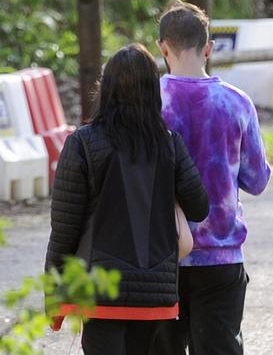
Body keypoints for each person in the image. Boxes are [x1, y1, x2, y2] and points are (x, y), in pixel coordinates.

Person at [46, 44, 211, 355]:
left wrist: (54, 291)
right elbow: (199, 207)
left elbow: (65, 227)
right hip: (155, 294)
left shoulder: (82, 143)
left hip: (101, 292)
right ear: (153, 90)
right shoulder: (169, 144)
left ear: (105, 88)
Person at [152, 1, 271, 355]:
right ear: (209, 48)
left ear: (163, 47)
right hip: (221, 255)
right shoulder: (236, 103)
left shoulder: (149, 101)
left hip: (160, 254)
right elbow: (256, 180)